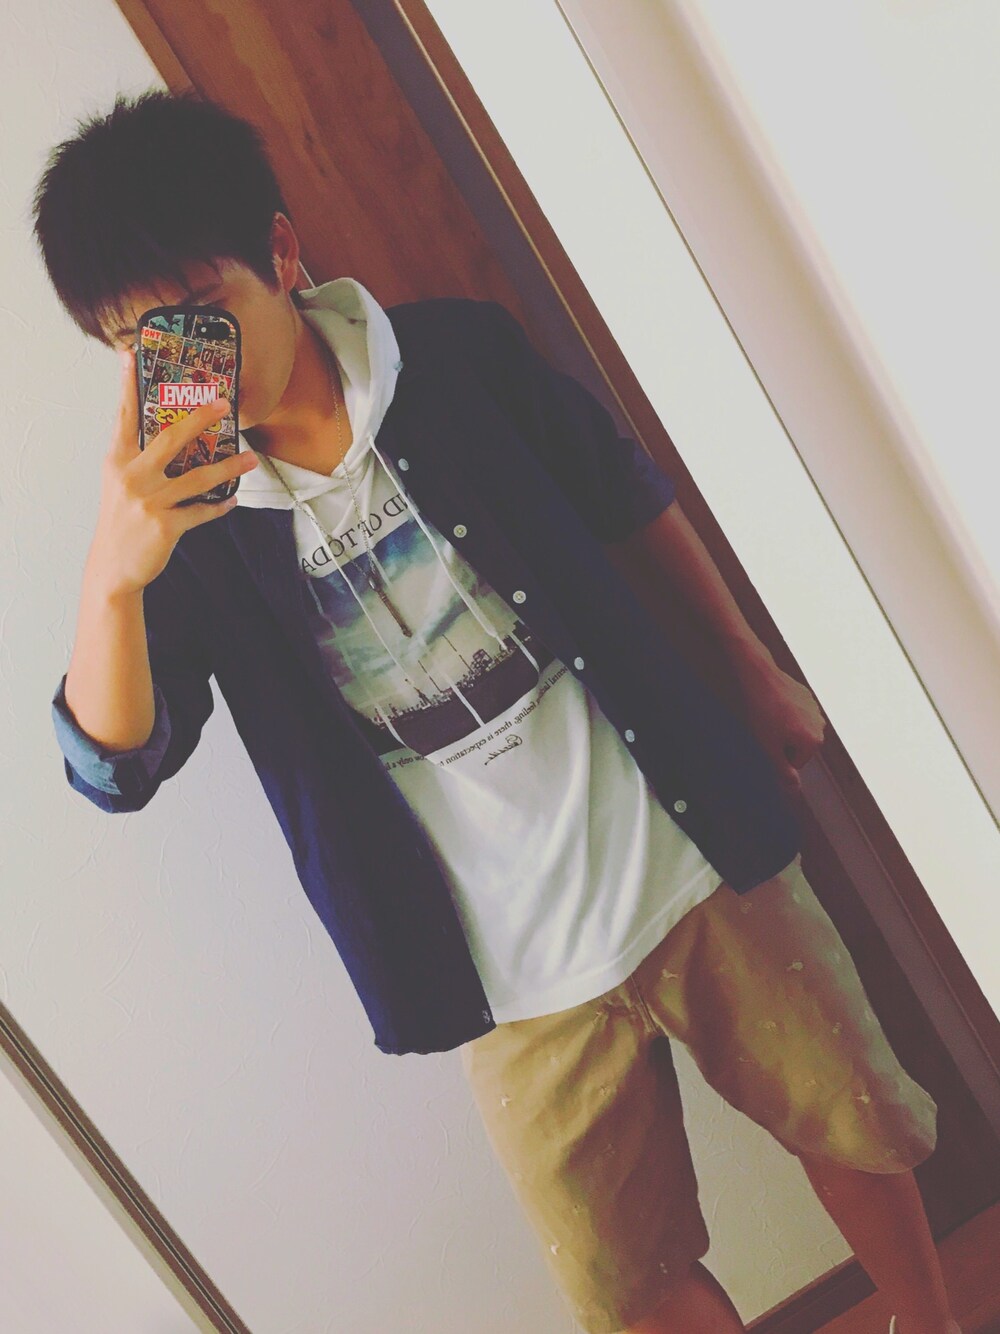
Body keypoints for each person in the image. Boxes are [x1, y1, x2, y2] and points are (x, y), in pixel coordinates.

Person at [34, 89, 958, 1334]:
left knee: (848, 1118)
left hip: (680, 848)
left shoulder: (454, 356)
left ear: (282, 252)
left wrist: (749, 666)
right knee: (621, 1279)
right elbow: (115, 766)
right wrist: (112, 571)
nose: (185, 361)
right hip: (500, 969)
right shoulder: (179, 534)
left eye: (204, 311)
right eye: (137, 340)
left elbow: (624, 490)